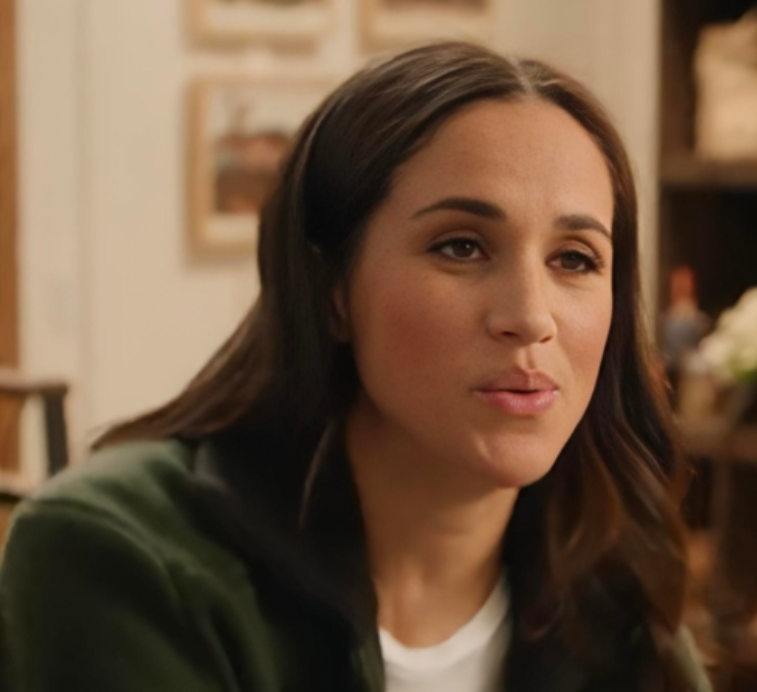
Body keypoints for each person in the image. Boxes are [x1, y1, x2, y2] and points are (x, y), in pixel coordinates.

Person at [0, 42, 712, 692]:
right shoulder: (118, 555)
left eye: (575, 260)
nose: (531, 316)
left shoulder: (612, 587)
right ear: (332, 289)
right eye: (461, 247)